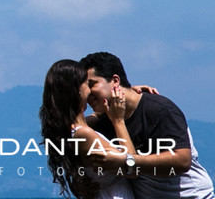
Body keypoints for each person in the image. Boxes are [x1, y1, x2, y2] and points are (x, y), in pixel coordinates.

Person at [81, 51, 215, 199]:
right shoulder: (105, 121)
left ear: (115, 80)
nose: (88, 93)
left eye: (92, 84)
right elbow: (69, 126)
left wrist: (127, 161)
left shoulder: (159, 109)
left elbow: (182, 160)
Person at [41, 58, 136, 198]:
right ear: (77, 90)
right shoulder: (85, 134)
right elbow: (132, 168)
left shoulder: (74, 129)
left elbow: (97, 114)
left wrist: (127, 93)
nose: (90, 90)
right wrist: (118, 121)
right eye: (87, 83)